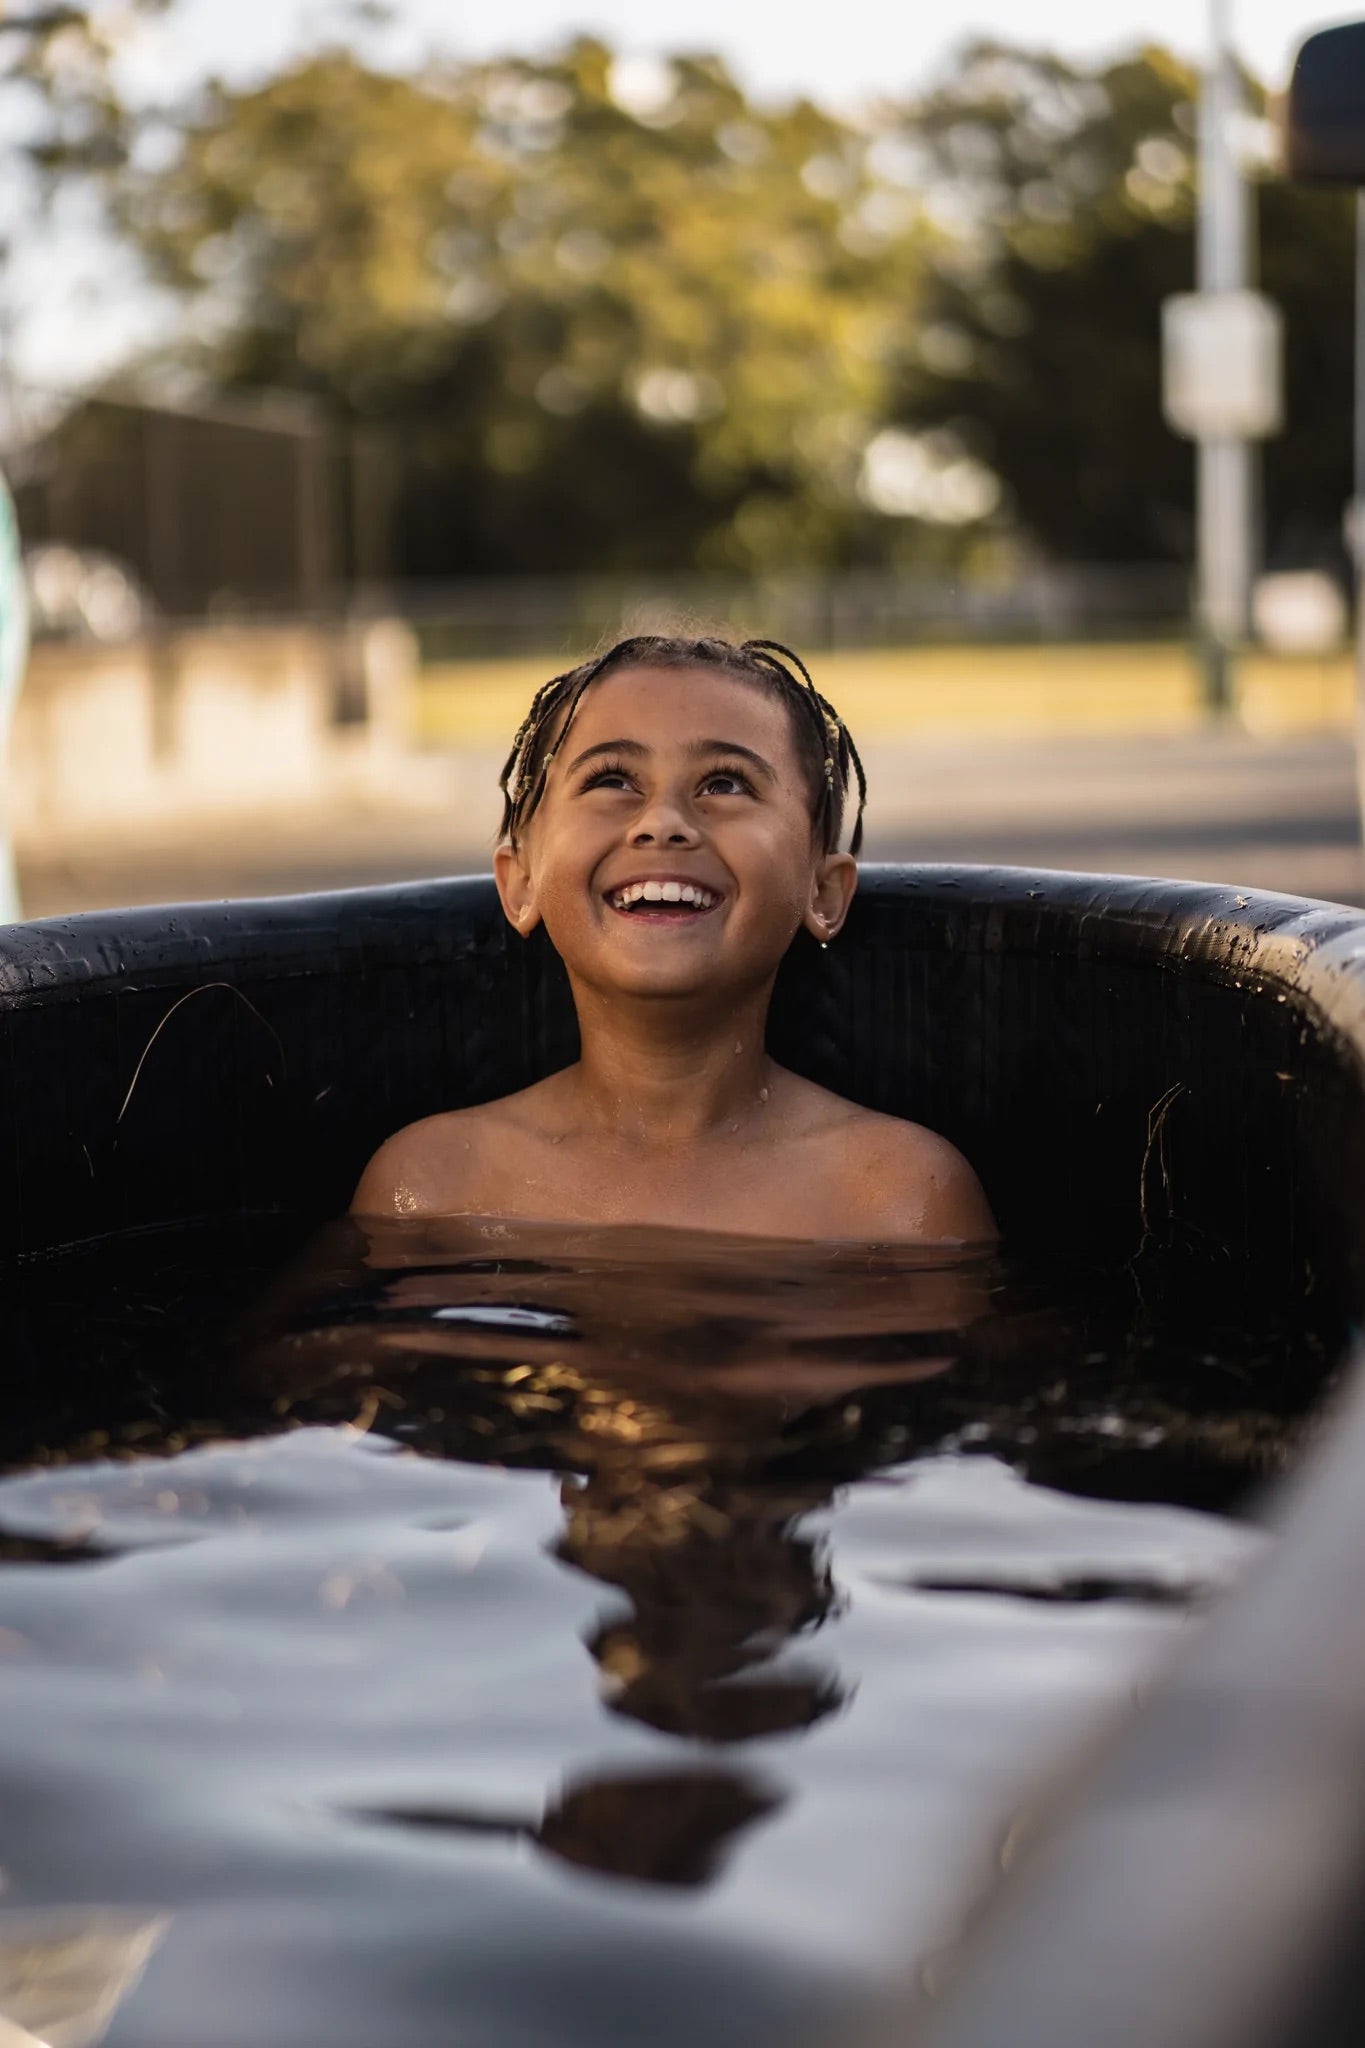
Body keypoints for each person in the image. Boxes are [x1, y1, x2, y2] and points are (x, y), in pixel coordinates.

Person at [352, 633, 995, 1243]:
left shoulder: (897, 1199)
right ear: (521, 883)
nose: (662, 822)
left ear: (823, 893)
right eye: (612, 780)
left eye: (725, 783)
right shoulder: (431, 1186)